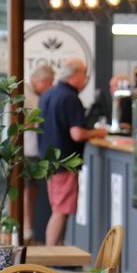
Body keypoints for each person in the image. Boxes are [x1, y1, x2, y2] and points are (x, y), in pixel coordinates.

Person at [38, 58, 107, 246]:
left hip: (49, 161)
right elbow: (77, 134)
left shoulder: (47, 94)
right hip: (65, 162)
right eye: (84, 73)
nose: (86, 78)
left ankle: (56, 252)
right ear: (74, 74)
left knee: (57, 207)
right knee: (61, 210)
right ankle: (52, 255)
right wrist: (98, 133)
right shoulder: (70, 98)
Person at [24, 64, 55, 243]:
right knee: (27, 190)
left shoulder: (38, 95)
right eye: (50, 82)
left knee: (33, 190)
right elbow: (24, 122)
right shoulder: (25, 94)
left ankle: (28, 230)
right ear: (40, 80)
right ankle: (26, 229)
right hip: (27, 151)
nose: (51, 86)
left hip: (35, 151)